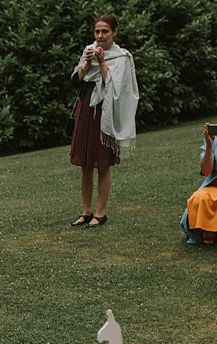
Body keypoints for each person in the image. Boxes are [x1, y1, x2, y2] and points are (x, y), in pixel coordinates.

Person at [69, 14, 138, 229]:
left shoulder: (122, 57)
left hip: (105, 111)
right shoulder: (88, 50)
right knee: (85, 164)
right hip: (87, 106)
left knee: (103, 163)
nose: (100, 35)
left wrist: (101, 62)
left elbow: (118, 88)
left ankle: (101, 212)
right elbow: (75, 81)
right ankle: (86, 211)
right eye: (97, 31)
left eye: (105, 31)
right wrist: (88, 62)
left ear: (114, 32)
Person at [180, 123, 217, 245]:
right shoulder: (213, 139)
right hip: (214, 188)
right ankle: (208, 230)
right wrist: (209, 145)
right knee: (200, 198)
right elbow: (206, 171)